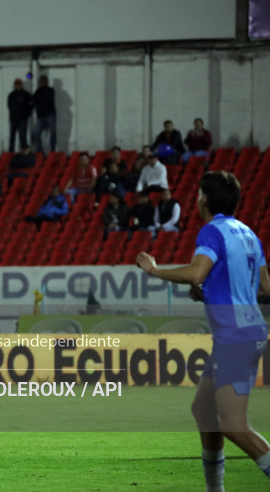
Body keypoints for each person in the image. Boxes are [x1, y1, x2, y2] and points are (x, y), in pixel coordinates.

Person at [135, 171, 270, 490]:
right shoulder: (249, 234)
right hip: (247, 332)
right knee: (204, 410)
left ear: (205, 200)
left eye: (198, 194)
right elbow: (265, 287)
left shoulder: (212, 231)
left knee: (232, 424)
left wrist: (154, 270)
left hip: (236, 336)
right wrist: (210, 291)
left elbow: (197, 272)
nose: (196, 199)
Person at [31, 75, 57, 152]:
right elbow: (34, 101)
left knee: (52, 133)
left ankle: (52, 150)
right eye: (42, 81)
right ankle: (40, 149)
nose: (43, 82)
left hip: (50, 114)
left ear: (47, 82)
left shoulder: (50, 90)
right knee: (35, 132)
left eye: (44, 81)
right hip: (41, 116)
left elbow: (45, 99)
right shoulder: (38, 91)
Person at [7, 78, 32, 152]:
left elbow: (30, 105)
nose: (17, 86)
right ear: (14, 85)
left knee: (22, 136)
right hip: (13, 119)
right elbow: (9, 106)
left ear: (21, 85)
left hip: (23, 119)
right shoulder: (11, 95)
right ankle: (11, 152)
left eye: (19, 84)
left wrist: (27, 114)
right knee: (12, 137)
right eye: (16, 84)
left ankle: (23, 152)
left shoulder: (26, 94)